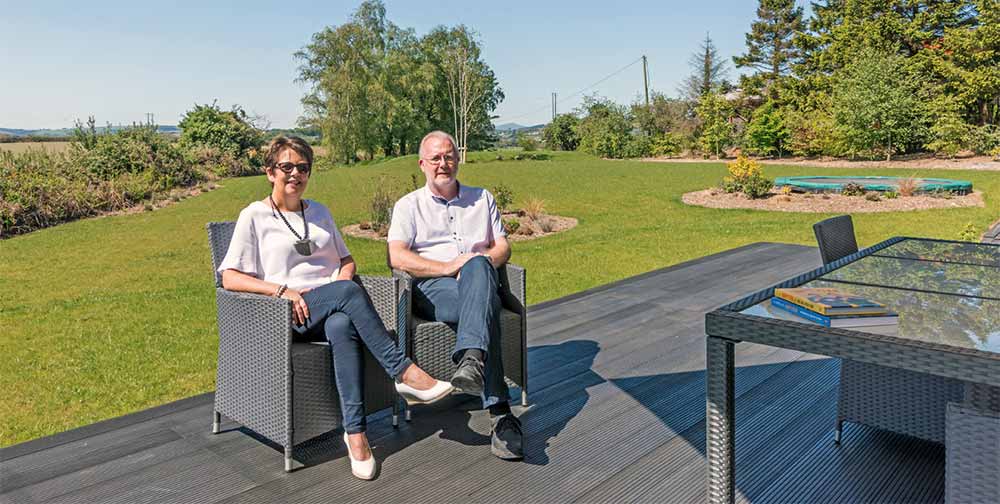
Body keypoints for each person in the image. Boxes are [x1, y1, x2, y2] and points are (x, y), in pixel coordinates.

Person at [218, 135, 453, 480]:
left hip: (331, 306)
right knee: (344, 294)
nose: (295, 174)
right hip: (286, 315)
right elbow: (229, 278)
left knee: (343, 323)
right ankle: (403, 372)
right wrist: (282, 290)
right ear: (270, 172)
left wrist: (338, 285)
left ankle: (355, 435)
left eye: (303, 167)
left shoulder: (319, 212)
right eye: (287, 167)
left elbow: (346, 260)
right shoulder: (254, 215)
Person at [387, 131, 523, 460]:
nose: (443, 164)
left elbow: (502, 245)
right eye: (435, 158)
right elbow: (398, 257)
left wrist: (478, 266)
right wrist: (449, 266)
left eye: (449, 156)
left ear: (458, 160)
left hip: (479, 281)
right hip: (432, 287)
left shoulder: (482, 197)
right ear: (422, 164)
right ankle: (500, 413)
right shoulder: (408, 205)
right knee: (482, 293)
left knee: (479, 272)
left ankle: (472, 359)